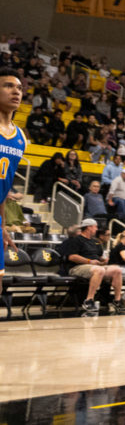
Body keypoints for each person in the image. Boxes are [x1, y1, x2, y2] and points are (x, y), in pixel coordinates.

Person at [64, 218, 125, 313]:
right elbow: (72, 257)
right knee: (99, 270)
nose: (97, 229)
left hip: (94, 266)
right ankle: (89, 300)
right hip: (77, 267)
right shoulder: (76, 240)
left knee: (116, 270)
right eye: (95, 227)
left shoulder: (95, 242)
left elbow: (99, 257)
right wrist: (89, 261)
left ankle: (117, 300)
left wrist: (105, 261)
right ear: (89, 227)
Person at [0, 68, 27, 287]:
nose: (16, 91)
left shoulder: (20, 138)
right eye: (8, 86)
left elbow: (4, 188)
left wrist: (3, 226)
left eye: (19, 87)